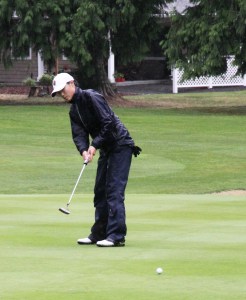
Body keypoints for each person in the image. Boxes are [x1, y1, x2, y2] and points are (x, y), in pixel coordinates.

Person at [51, 73, 141, 247]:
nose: (62, 94)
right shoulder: (74, 110)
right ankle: (99, 233)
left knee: (114, 191)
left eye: (63, 90)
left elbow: (108, 123)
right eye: (59, 92)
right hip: (107, 148)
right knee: (100, 192)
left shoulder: (92, 97)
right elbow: (78, 134)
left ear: (72, 83)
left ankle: (116, 236)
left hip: (121, 144)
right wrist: (84, 150)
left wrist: (94, 145)